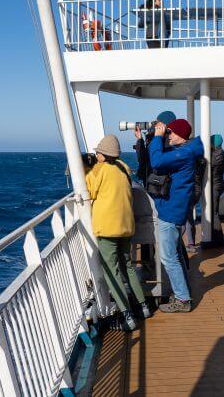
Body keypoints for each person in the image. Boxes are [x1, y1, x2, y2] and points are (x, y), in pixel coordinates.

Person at [85, 135, 150, 330]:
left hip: (108, 229)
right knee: (127, 266)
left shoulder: (100, 170)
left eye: (98, 152)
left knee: (111, 272)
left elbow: (90, 191)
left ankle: (127, 316)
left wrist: (88, 170)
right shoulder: (123, 169)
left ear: (104, 155)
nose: (96, 155)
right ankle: (143, 307)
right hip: (126, 226)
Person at [148, 118, 205, 313]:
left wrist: (157, 137)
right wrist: (152, 138)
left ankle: (182, 300)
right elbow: (162, 160)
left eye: (170, 132)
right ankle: (183, 292)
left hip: (171, 212)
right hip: (176, 209)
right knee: (177, 255)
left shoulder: (184, 153)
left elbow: (156, 161)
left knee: (168, 258)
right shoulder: (185, 150)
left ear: (181, 134)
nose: (168, 135)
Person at [133, 110, 177, 183]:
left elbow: (157, 162)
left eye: (157, 122)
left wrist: (158, 137)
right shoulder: (154, 138)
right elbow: (143, 159)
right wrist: (140, 139)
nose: (154, 125)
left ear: (164, 125)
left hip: (159, 184)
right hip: (151, 181)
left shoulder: (168, 141)